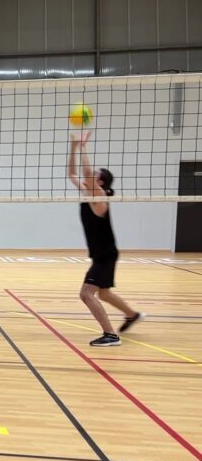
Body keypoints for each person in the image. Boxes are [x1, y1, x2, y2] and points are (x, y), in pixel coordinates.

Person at [68, 131, 144, 347]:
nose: (90, 174)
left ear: (99, 181)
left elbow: (84, 171)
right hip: (104, 254)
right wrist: (74, 146)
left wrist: (83, 148)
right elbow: (72, 174)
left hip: (104, 256)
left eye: (94, 174)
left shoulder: (99, 197)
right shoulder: (91, 194)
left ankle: (110, 334)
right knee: (103, 293)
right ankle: (132, 314)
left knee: (86, 294)